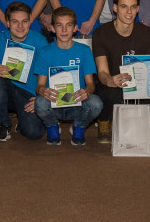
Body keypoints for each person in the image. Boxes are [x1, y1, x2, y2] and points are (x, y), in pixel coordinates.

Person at [92, 0, 150, 143]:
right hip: (112, 84)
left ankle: (138, 122)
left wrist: (144, 79)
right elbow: (102, 71)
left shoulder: (147, 33)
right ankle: (104, 120)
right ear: (115, 8)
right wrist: (111, 80)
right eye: (124, 6)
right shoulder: (101, 33)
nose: (129, 12)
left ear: (138, 9)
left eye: (133, 7)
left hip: (138, 83)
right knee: (106, 92)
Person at [33, 7, 104, 146]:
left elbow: (90, 84)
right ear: (52, 28)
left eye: (69, 25)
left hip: (77, 103)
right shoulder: (45, 52)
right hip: (53, 102)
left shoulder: (84, 51)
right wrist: (43, 91)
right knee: (39, 103)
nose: (64, 30)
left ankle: (79, 126)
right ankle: (52, 126)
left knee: (96, 103)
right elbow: (39, 86)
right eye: (59, 25)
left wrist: (86, 92)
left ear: (75, 28)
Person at [0, 2, 48, 142]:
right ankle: (3, 125)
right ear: (8, 23)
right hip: (5, 91)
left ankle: (23, 122)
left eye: (24, 21)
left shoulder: (40, 42)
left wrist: (41, 99)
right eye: (15, 21)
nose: (20, 26)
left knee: (35, 133)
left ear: (30, 22)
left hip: (30, 94)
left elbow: (50, 72)